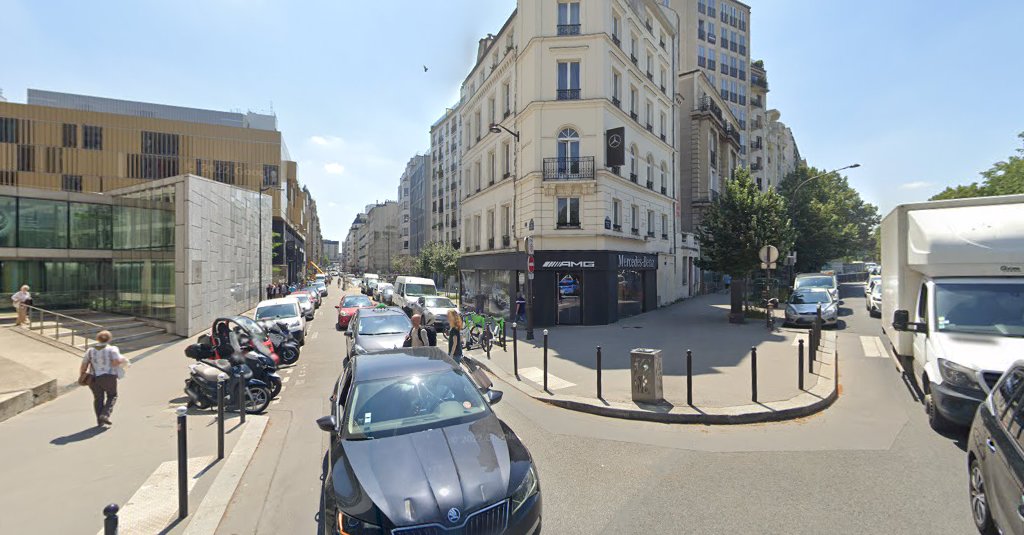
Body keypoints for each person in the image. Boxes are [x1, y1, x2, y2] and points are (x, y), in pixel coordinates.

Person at [79, 330, 127, 427]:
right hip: (108, 376)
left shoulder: (90, 350)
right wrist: (122, 361)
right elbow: (115, 362)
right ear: (109, 339)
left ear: (97, 339)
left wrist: (82, 375)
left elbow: (84, 365)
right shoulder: (112, 349)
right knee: (112, 395)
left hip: (93, 378)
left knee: (98, 398)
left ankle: (99, 421)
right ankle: (105, 415)